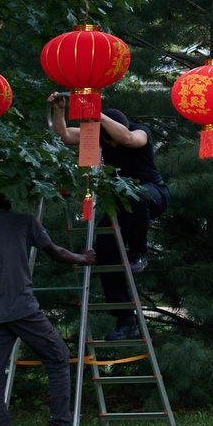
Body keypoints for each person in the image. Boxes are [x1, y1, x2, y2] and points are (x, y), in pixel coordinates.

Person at [0, 191, 95, 426]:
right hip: (23, 310)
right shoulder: (24, 221)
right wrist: (83, 258)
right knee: (57, 357)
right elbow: (57, 253)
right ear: (8, 207)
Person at [58, 102, 166, 338]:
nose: (113, 145)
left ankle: (138, 251)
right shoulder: (98, 136)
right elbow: (65, 135)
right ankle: (125, 321)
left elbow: (127, 138)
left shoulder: (140, 132)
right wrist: (58, 110)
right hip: (121, 204)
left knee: (138, 196)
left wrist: (97, 115)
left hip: (152, 193)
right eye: (108, 142)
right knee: (105, 252)